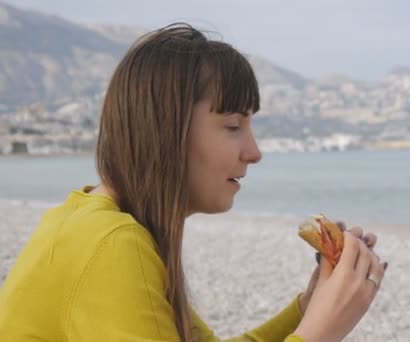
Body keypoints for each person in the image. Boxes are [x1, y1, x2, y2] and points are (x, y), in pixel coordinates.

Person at [0, 22, 387, 341]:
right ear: (166, 130)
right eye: (233, 126)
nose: (254, 152)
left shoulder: (94, 221)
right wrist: (321, 331)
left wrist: (308, 307)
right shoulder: (112, 243)